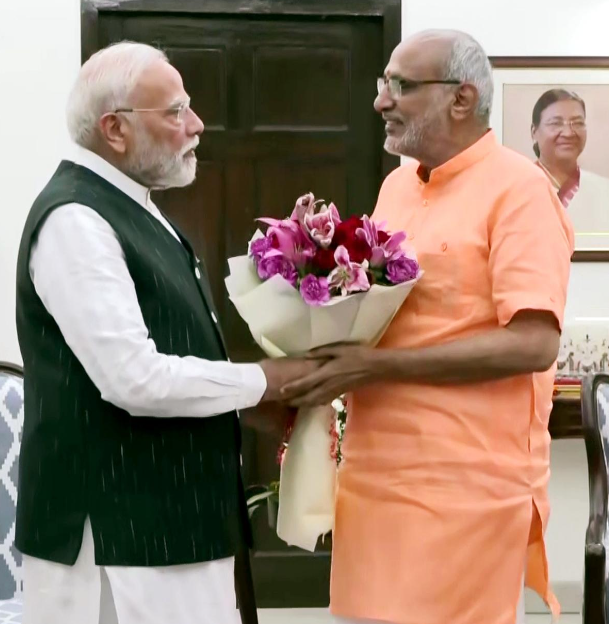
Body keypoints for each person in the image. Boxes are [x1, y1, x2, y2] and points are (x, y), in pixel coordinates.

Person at [15, 41, 318, 624]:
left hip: (167, 527)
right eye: (176, 111)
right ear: (115, 129)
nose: (197, 124)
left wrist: (248, 405)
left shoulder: (132, 206)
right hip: (122, 536)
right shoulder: (77, 220)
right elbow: (133, 378)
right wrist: (266, 381)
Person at [281, 30, 574, 624]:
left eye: (401, 85)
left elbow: (535, 343)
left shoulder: (520, 190)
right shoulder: (397, 185)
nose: (380, 100)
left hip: (463, 489)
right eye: (383, 82)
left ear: (461, 98)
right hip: (372, 479)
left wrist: (377, 367)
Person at [532, 88, 609, 238]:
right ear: (534, 132)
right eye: (556, 123)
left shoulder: (604, 190)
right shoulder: (515, 188)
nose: (568, 133)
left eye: (578, 123)